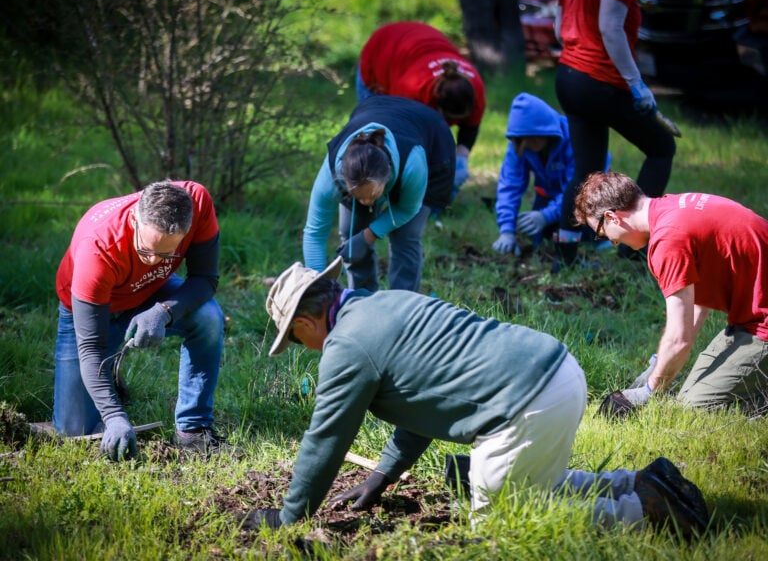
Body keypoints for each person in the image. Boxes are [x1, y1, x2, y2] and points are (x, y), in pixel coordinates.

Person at [246, 257, 709, 539]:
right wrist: (385, 473)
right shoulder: (384, 302)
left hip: (524, 405)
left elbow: (325, 439)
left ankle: (645, 513)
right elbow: (426, 399)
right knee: (536, 488)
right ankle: (639, 483)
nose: (303, 348)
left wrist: (290, 517)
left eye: (295, 340)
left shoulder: (346, 347)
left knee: (503, 524)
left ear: (303, 324)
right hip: (558, 371)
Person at [53, 180, 233, 460]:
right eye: (144, 250)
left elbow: (205, 279)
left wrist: (164, 311)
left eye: (165, 254)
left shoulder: (196, 201)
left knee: (209, 317)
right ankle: (109, 387)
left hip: (151, 292)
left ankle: (193, 430)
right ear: (135, 218)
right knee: (74, 432)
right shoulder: (98, 246)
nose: (151, 261)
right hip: (92, 310)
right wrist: (114, 416)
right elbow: (90, 347)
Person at [574, 170, 768, 413]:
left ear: (612, 217)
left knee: (694, 408)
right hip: (748, 318)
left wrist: (648, 391)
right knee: (687, 394)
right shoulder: (670, 207)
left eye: (603, 234)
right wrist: (657, 366)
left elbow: (679, 338)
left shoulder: (667, 241)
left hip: (762, 323)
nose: (613, 243)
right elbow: (699, 302)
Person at [552, 0, 676, 271]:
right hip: (599, 79)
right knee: (662, 148)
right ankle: (633, 249)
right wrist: (635, 83)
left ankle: (564, 258)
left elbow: (560, 28)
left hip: (568, 76)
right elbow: (610, 26)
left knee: (586, 171)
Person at [302, 95, 454, 292]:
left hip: (432, 140)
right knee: (351, 231)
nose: (366, 202)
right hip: (375, 108)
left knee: (405, 236)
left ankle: (403, 304)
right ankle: (362, 300)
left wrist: (369, 235)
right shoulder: (332, 175)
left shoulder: (412, 165)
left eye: (372, 195)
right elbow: (315, 233)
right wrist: (317, 286)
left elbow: (407, 210)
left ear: (388, 175)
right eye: (358, 195)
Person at [357, 21, 486, 198]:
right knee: (377, 141)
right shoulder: (411, 92)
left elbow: (470, 128)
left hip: (418, 47)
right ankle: (373, 194)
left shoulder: (476, 89)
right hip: (383, 49)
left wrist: (460, 160)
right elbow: (400, 139)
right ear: (437, 106)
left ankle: (433, 200)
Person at [492, 92, 610, 257]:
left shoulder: (575, 137)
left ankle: (603, 233)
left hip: (587, 197)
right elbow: (510, 185)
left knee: (583, 240)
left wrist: (545, 216)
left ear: (543, 133)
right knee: (540, 241)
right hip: (550, 196)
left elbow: (581, 189)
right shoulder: (518, 144)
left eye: (531, 141)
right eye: (522, 143)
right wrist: (507, 230)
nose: (527, 148)